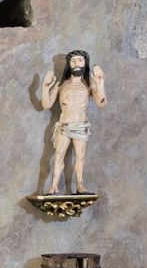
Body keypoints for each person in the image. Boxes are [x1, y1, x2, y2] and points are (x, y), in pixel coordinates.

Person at [41, 49, 106, 194]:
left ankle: (80, 186)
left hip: (80, 126)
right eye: (73, 61)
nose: (77, 63)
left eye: (80, 60)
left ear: (85, 63)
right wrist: (45, 87)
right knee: (58, 156)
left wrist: (101, 83)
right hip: (63, 126)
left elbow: (101, 103)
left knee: (80, 157)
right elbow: (46, 105)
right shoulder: (61, 85)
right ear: (69, 65)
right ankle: (53, 187)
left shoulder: (89, 85)